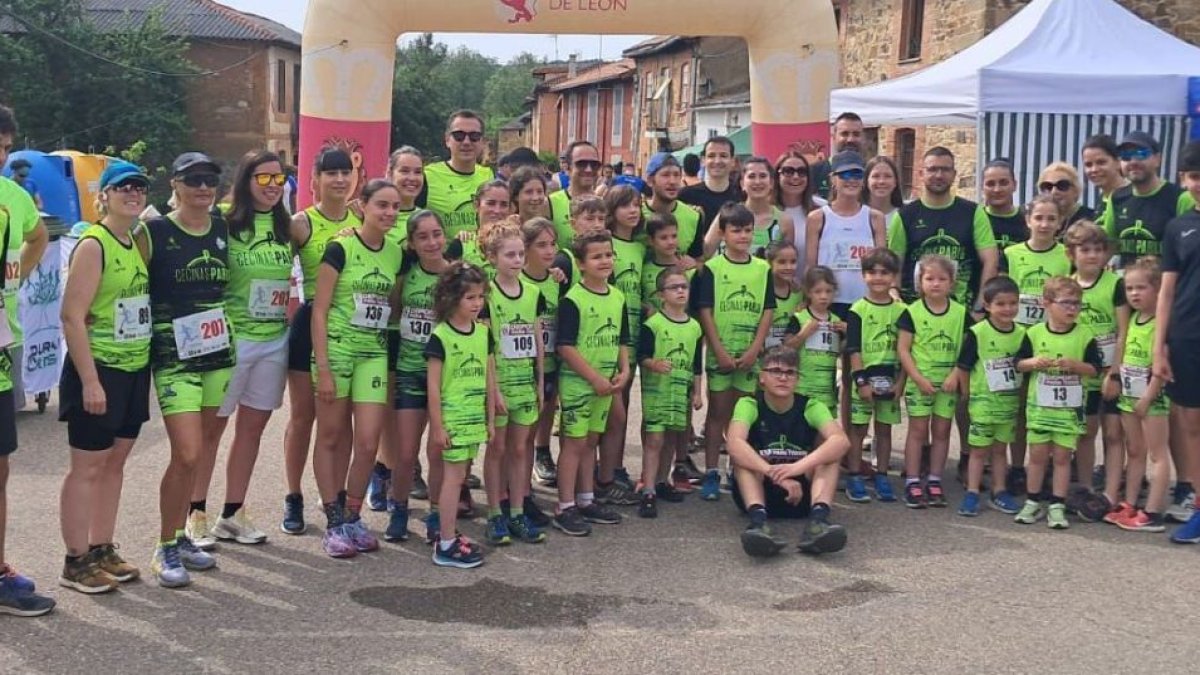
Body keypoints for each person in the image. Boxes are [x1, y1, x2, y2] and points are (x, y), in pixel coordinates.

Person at [184, 151, 291, 550]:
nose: (272, 186)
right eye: (263, 179)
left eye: (278, 179)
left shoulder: (288, 227)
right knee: (210, 429)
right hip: (230, 339)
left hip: (273, 340)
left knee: (252, 430)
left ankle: (232, 512)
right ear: (246, 181)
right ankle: (194, 512)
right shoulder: (224, 220)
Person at [56, 161, 153, 594]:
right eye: (123, 188)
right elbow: (72, 317)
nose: (132, 194)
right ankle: (75, 560)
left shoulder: (135, 241)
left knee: (114, 464)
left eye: (139, 188)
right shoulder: (94, 244)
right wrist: (90, 380)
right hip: (100, 370)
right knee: (87, 467)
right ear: (105, 196)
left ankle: (101, 547)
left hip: (133, 367)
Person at [140, 152, 229, 587]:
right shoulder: (153, 231)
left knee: (206, 446)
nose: (203, 187)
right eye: (193, 179)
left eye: (210, 179)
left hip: (217, 351)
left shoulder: (224, 228)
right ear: (175, 184)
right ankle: (164, 545)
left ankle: (180, 535)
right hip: (173, 356)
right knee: (186, 452)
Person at [311, 179, 404, 558]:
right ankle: (333, 521)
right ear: (361, 205)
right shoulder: (340, 247)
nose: (389, 213)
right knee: (331, 437)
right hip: (337, 351)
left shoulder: (397, 253)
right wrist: (325, 367)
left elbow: (395, 304)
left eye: (396, 206)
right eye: (382, 204)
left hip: (373, 354)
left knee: (368, 441)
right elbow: (318, 310)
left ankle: (352, 515)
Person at [282, 148, 360, 535]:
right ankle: (293, 495)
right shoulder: (301, 224)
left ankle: (337, 493)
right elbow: (276, 272)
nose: (341, 180)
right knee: (303, 417)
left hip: (349, 330)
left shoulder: (361, 218)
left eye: (347, 172)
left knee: (341, 421)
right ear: (315, 179)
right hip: (309, 328)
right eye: (332, 173)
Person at [0, 103, 54, 616]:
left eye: (3, 148)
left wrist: (13, 280)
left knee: (0, 468)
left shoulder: (13, 196)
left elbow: (38, 236)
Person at [727, 347, 849, 558]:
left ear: (797, 379)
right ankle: (758, 523)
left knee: (830, 457)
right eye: (775, 371)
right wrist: (773, 473)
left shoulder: (811, 405)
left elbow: (841, 441)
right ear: (762, 377)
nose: (783, 377)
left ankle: (818, 522)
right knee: (742, 459)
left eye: (790, 372)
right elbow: (734, 443)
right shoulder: (749, 403)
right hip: (761, 489)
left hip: (801, 493)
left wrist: (795, 469)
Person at [692, 203, 775, 501]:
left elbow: (767, 310)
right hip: (721, 354)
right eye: (736, 230)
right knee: (717, 412)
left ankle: (738, 468)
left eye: (748, 230)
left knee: (743, 416)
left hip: (749, 355)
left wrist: (756, 348)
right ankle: (711, 471)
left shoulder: (763, 268)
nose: (743, 236)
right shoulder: (713, 268)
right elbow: (705, 310)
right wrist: (718, 349)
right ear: (723, 233)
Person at [553, 230, 629, 536]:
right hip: (579, 384)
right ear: (581, 264)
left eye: (608, 254)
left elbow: (623, 337)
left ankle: (586, 499)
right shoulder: (574, 299)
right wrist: (594, 377)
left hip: (607, 384)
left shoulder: (618, 295)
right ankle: (564, 505)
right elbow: (565, 346)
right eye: (596, 256)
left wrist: (623, 369)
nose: (605, 261)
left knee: (591, 442)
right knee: (574, 444)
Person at [1014, 277, 1103, 530]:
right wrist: (1033, 363)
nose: (1072, 309)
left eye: (1077, 304)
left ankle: (1057, 504)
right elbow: (1018, 363)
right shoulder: (1033, 333)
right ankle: (1032, 501)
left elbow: (1095, 369)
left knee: (1063, 456)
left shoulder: (1085, 335)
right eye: (1066, 303)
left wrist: (1076, 366)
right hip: (1040, 408)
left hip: (1069, 410)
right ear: (1047, 303)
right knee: (1038, 455)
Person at [478, 224, 547, 545]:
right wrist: (493, 391)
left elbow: (537, 342)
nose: (517, 260)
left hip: (525, 385)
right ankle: (495, 513)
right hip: (500, 386)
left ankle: (517, 511)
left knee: (521, 449)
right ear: (492, 257)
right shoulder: (486, 294)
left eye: (521, 253)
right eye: (509, 254)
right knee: (497, 448)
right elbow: (486, 347)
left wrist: (540, 381)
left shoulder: (533, 293)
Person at [426, 262, 493, 568]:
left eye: (480, 297)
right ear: (452, 299)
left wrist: (490, 419)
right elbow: (434, 387)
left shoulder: (483, 333)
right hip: (453, 419)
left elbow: (489, 379)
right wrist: (438, 427)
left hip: (474, 419)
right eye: (470, 298)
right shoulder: (440, 336)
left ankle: (449, 533)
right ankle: (446, 541)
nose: (477, 303)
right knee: (453, 479)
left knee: (461, 476)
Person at [392, 211, 450, 543]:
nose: (432, 242)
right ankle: (399, 508)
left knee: (438, 451)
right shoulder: (407, 275)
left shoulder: (455, 276)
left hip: (445, 378)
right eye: (423, 237)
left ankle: (436, 513)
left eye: (437, 234)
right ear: (412, 244)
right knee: (405, 452)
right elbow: (396, 311)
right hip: (411, 371)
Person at [1153, 140, 1200, 543]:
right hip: (1186, 336)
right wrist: (1159, 346)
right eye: (1194, 177)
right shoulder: (1178, 227)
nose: (1199, 184)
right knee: (1190, 424)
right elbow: (1166, 291)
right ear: (1184, 180)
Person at [887, 146, 998, 313]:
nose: (939, 175)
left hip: (962, 312)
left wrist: (980, 306)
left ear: (954, 174)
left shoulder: (973, 212)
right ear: (921, 174)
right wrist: (896, 299)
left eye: (945, 169)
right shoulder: (904, 216)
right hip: (915, 313)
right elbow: (894, 266)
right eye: (932, 169)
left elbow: (990, 260)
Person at [1066, 221, 1127, 518]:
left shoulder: (1114, 284)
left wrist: (1115, 372)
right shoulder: (1067, 283)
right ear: (1072, 253)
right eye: (1085, 249)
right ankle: (1086, 489)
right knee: (1086, 431)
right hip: (1082, 371)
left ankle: (1111, 494)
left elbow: (1125, 330)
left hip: (1109, 370)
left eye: (1098, 250)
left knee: (1114, 433)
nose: (1092, 255)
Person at [897, 254, 968, 509]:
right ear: (920, 282)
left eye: (942, 279)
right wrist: (917, 378)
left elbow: (966, 349)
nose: (935, 284)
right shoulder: (911, 312)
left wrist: (955, 375)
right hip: (921, 382)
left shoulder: (960, 313)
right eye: (929, 278)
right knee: (917, 431)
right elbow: (904, 350)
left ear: (952, 282)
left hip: (947, 383)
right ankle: (913, 480)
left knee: (942, 431)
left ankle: (935, 479)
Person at [954, 276, 1024, 516]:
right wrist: (967, 394)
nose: (1007, 309)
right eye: (1001, 304)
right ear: (987, 305)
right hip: (982, 403)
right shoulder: (978, 332)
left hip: (1008, 403)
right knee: (978, 451)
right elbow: (963, 366)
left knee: (1000, 449)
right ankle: (972, 492)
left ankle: (999, 490)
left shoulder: (1023, 334)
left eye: (1012, 303)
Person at [1109, 256, 1169, 532]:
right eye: (1130, 288)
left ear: (1158, 288)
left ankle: (1153, 510)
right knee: (1135, 451)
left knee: (1157, 454)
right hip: (1129, 395)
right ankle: (1129, 503)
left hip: (1152, 399)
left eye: (1141, 288)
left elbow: (1162, 365)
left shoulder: (1162, 323)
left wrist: (1148, 397)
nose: (1134, 293)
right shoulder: (1133, 319)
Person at [637, 267, 703, 518]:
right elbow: (642, 356)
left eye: (684, 287)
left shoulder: (694, 327)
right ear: (661, 294)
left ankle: (663, 481)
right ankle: (648, 489)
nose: (680, 291)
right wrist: (653, 363)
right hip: (658, 391)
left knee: (673, 439)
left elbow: (696, 363)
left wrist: (697, 393)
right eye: (674, 287)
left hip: (680, 391)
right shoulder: (653, 324)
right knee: (654, 440)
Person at [597, 185, 646, 503]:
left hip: (634, 333)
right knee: (609, 409)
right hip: (607, 334)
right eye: (626, 205)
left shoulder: (641, 248)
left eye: (638, 205)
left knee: (623, 406)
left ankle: (614, 468)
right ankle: (602, 473)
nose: (633, 210)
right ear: (612, 210)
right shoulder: (605, 244)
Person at [845, 248, 905, 503]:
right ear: (863, 276)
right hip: (865, 379)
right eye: (872, 272)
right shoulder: (857, 309)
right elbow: (853, 348)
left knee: (884, 429)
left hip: (890, 379)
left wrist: (901, 383)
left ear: (894, 277)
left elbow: (906, 350)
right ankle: (855, 474)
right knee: (858, 428)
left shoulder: (902, 311)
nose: (878, 278)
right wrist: (861, 382)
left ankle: (882, 474)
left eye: (884, 273)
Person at [806, 151, 886, 320]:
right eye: (844, 174)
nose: (851, 180)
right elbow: (811, 267)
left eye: (857, 174)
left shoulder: (875, 218)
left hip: (865, 302)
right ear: (832, 179)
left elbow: (881, 266)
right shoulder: (817, 218)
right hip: (827, 302)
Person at [1101, 131, 1196, 271]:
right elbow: (1108, 245)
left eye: (1141, 154)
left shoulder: (1181, 198)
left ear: (1157, 159)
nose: (1133, 161)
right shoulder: (1116, 198)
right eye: (1126, 156)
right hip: (1129, 287)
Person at [519, 217, 561, 521]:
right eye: (541, 245)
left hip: (550, 365)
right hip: (520, 370)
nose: (549, 251)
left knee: (536, 427)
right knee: (518, 438)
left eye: (552, 244)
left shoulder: (558, 279)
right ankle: (517, 494)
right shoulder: (515, 279)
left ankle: (523, 492)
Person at [783, 267, 844, 453]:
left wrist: (847, 333)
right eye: (818, 291)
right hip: (802, 389)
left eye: (828, 291)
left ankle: (816, 471)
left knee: (822, 437)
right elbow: (786, 347)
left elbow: (840, 353)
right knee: (799, 434)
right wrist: (804, 334)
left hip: (826, 390)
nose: (823, 296)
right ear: (808, 292)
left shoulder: (836, 320)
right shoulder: (800, 317)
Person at [422, 110, 495, 241]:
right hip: (444, 258)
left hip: (482, 257)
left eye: (474, 136)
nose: (466, 142)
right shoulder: (427, 176)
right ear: (447, 140)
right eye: (459, 135)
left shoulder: (488, 175)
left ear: (482, 141)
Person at [702, 156, 794, 258]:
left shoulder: (785, 221)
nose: (757, 182)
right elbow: (705, 253)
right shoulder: (727, 215)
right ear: (742, 184)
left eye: (763, 176)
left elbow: (787, 262)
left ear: (771, 183)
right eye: (751, 176)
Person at [1006, 195, 1071, 327]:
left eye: (1051, 219)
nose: (1044, 224)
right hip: (1017, 329)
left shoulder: (1069, 255)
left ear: (1060, 222)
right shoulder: (1010, 254)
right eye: (1038, 218)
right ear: (1028, 220)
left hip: (1055, 331)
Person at [775, 150, 825, 284]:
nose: (796, 176)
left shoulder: (823, 209)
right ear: (777, 175)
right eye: (788, 171)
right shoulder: (768, 211)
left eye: (802, 172)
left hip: (813, 290)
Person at [644, 153, 704, 260]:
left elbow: (698, 260)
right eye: (666, 175)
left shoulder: (693, 217)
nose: (672, 181)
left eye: (676, 175)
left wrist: (694, 264)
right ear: (650, 180)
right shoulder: (634, 215)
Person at [548, 141, 602, 248]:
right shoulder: (550, 203)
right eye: (581, 164)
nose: (588, 169)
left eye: (594, 165)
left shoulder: (605, 205)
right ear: (567, 168)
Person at [680, 137, 742, 230]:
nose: (717, 161)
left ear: (733, 161)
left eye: (723, 156)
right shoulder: (686, 196)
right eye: (711, 156)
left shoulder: (740, 196)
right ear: (703, 160)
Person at [811, 112, 866, 200]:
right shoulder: (813, 172)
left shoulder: (871, 173)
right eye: (844, 134)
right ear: (833, 137)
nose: (850, 139)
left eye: (856, 134)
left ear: (863, 138)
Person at [763, 241, 803, 351]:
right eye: (782, 262)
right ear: (769, 263)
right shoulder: (761, 292)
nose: (788, 267)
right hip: (764, 360)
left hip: (790, 360)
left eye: (793, 262)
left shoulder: (799, 294)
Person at [1081, 134, 1127, 226]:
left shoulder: (1132, 197)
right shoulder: (1102, 199)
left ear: (1118, 162)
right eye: (1088, 165)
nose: (1094, 169)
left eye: (1101, 162)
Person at [980, 159, 1026, 253]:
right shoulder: (975, 220)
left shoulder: (1028, 222)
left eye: (1003, 183)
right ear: (982, 188)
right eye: (990, 184)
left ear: (1015, 185)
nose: (997, 189)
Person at [1037, 162, 1094, 236]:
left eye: (1062, 185)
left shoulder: (1092, 218)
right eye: (1047, 187)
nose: (1054, 191)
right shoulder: (1033, 222)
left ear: (1076, 190)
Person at [862, 156, 903, 223]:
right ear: (866, 181)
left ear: (895, 182)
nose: (882, 181)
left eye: (888, 176)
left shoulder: (905, 217)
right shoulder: (855, 215)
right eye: (876, 176)